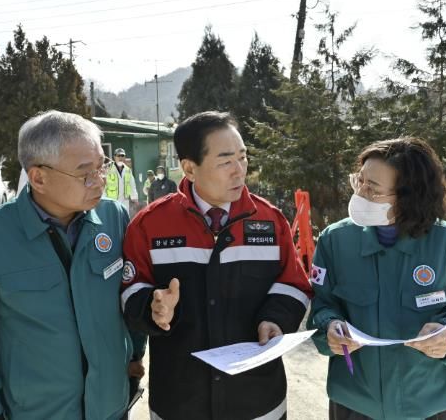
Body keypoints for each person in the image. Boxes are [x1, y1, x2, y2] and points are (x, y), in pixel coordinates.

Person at [0, 110, 144, 420]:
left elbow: (128, 296)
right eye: (84, 173)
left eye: (101, 167)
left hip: (109, 408)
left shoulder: (113, 218)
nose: (99, 181)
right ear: (39, 177)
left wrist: (133, 362)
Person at [121, 111, 312, 420]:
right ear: (189, 168)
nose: (239, 171)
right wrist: (153, 309)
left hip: (258, 401)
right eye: (225, 162)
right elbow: (130, 291)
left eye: (243, 158)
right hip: (180, 401)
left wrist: (275, 318)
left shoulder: (269, 220)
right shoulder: (150, 225)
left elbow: (294, 283)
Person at [307, 137, 446, 420]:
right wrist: (329, 326)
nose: (360, 195)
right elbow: (322, 304)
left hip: (431, 405)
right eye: (359, 182)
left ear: (408, 197)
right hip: (356, 403)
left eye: (373, 189)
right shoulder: (336, 241)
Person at [105, 147, 138, 212]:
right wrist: (103, 199)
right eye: (118, 155)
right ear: (114, 157)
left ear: (124, 157)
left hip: (124, 201)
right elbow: (103, 185)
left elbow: (132, 184)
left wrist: (134, 197)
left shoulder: (128, 170)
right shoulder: (108, 169)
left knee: (124, 217)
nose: (120, 157)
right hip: (112, 201)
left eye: (122, 155)